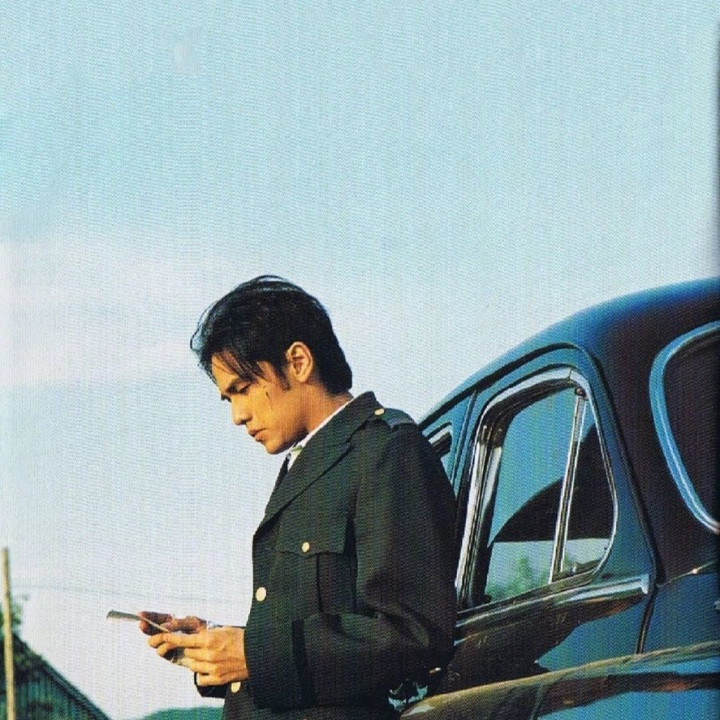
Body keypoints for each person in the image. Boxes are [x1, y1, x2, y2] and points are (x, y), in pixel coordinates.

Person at [140, 276, 457, 720]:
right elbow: (309, 629)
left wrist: (253, 655)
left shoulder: (386, 451)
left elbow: (413, 634)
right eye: (227, 400)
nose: (237, 416)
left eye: (242, 389)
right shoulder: (307, 462)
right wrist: (217, 645)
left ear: (299, 362)